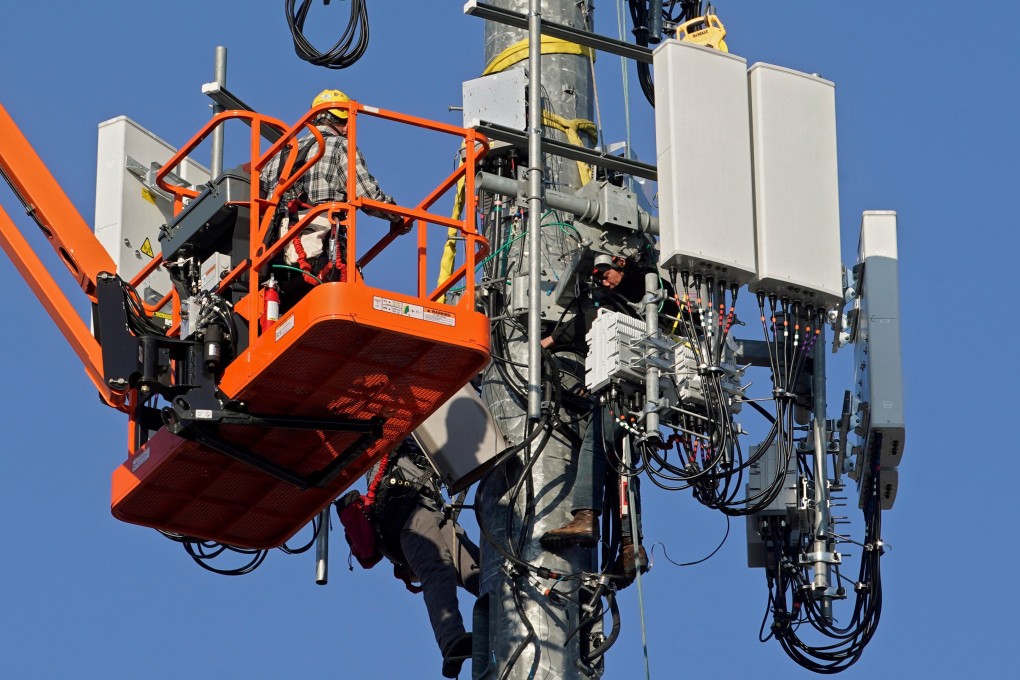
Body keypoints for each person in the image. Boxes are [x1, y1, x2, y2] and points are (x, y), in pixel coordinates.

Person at [539, 255, 683, 588]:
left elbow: (585, 322)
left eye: (606, 274)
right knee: (623, 467)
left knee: (595, 444)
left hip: (622, 386)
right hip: (643, 394)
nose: (603, 281)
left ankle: (585, 516)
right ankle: (631, 547)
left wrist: (548, 341)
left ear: (621, 263)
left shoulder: (633, 290)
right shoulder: (642, 300)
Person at [348, 437, 480, 679]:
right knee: (437, 568)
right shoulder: (391, 431)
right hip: (404, 510)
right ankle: (451, 643)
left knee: (481, 572)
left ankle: (511, 609)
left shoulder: (427, 434)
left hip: (428, 509)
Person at [259, 88, 403, 291]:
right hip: (319, 262)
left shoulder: (277, 157)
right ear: (345, 123)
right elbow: (368, 195)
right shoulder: (339, 146)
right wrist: (398, 216)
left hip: (274, 263)